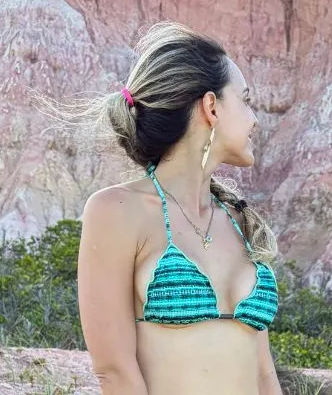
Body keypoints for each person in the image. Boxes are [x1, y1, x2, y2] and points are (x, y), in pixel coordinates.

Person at [74, 21, 282, 394]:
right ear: (211, 107)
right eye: (245, 100)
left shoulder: (238, 220)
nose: (255, 119)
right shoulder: (117, 211)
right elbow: (115, 371)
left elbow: (264, 373)